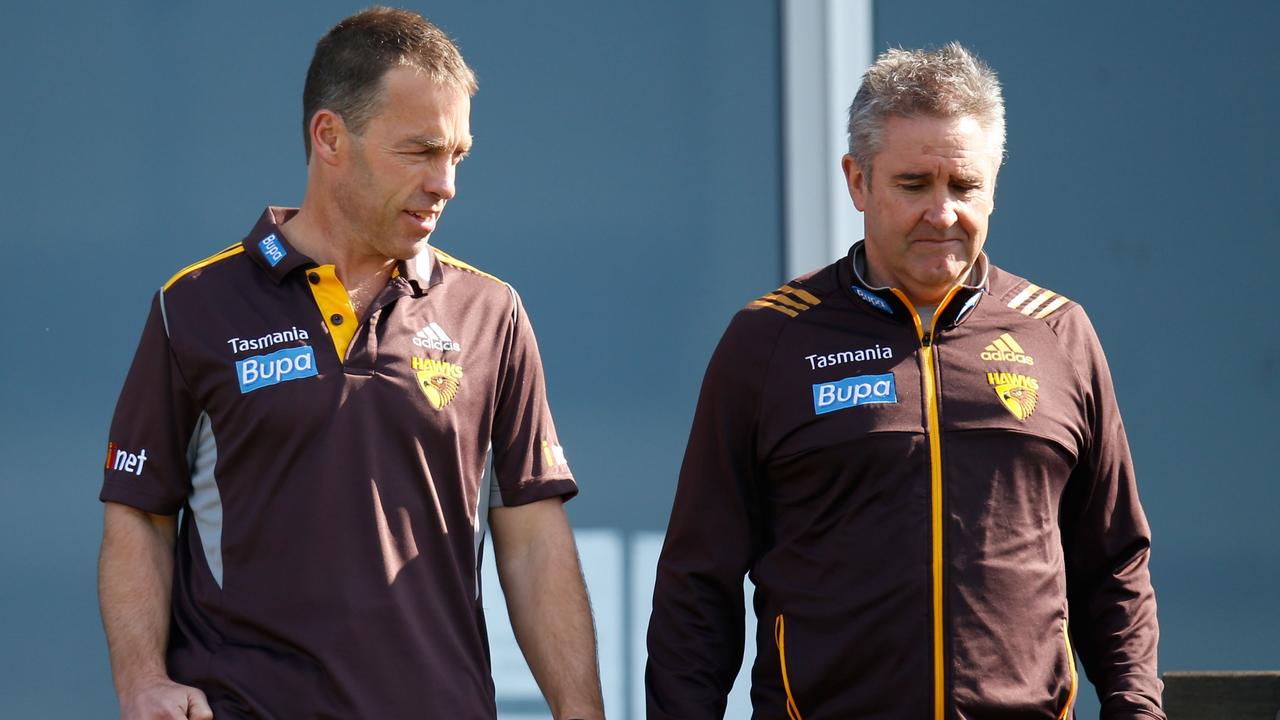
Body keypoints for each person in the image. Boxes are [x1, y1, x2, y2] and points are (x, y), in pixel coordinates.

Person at [97, 8, 603, 719]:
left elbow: (532, 539)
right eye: (420, 152)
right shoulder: (195, 307)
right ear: (330, 136)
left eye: (457, 155)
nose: (446, 182)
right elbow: (138, 512)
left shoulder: (492, 313)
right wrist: (143, 680)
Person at [646, 43, 1163, 719]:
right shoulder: (769, 340)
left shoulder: (1060, 333)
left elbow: (1114, 566)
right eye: (914, 184)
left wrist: (1138, 711)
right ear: (857, 181)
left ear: (994, 185)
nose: (942, 213)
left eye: (965, 186)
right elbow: (696, 585)